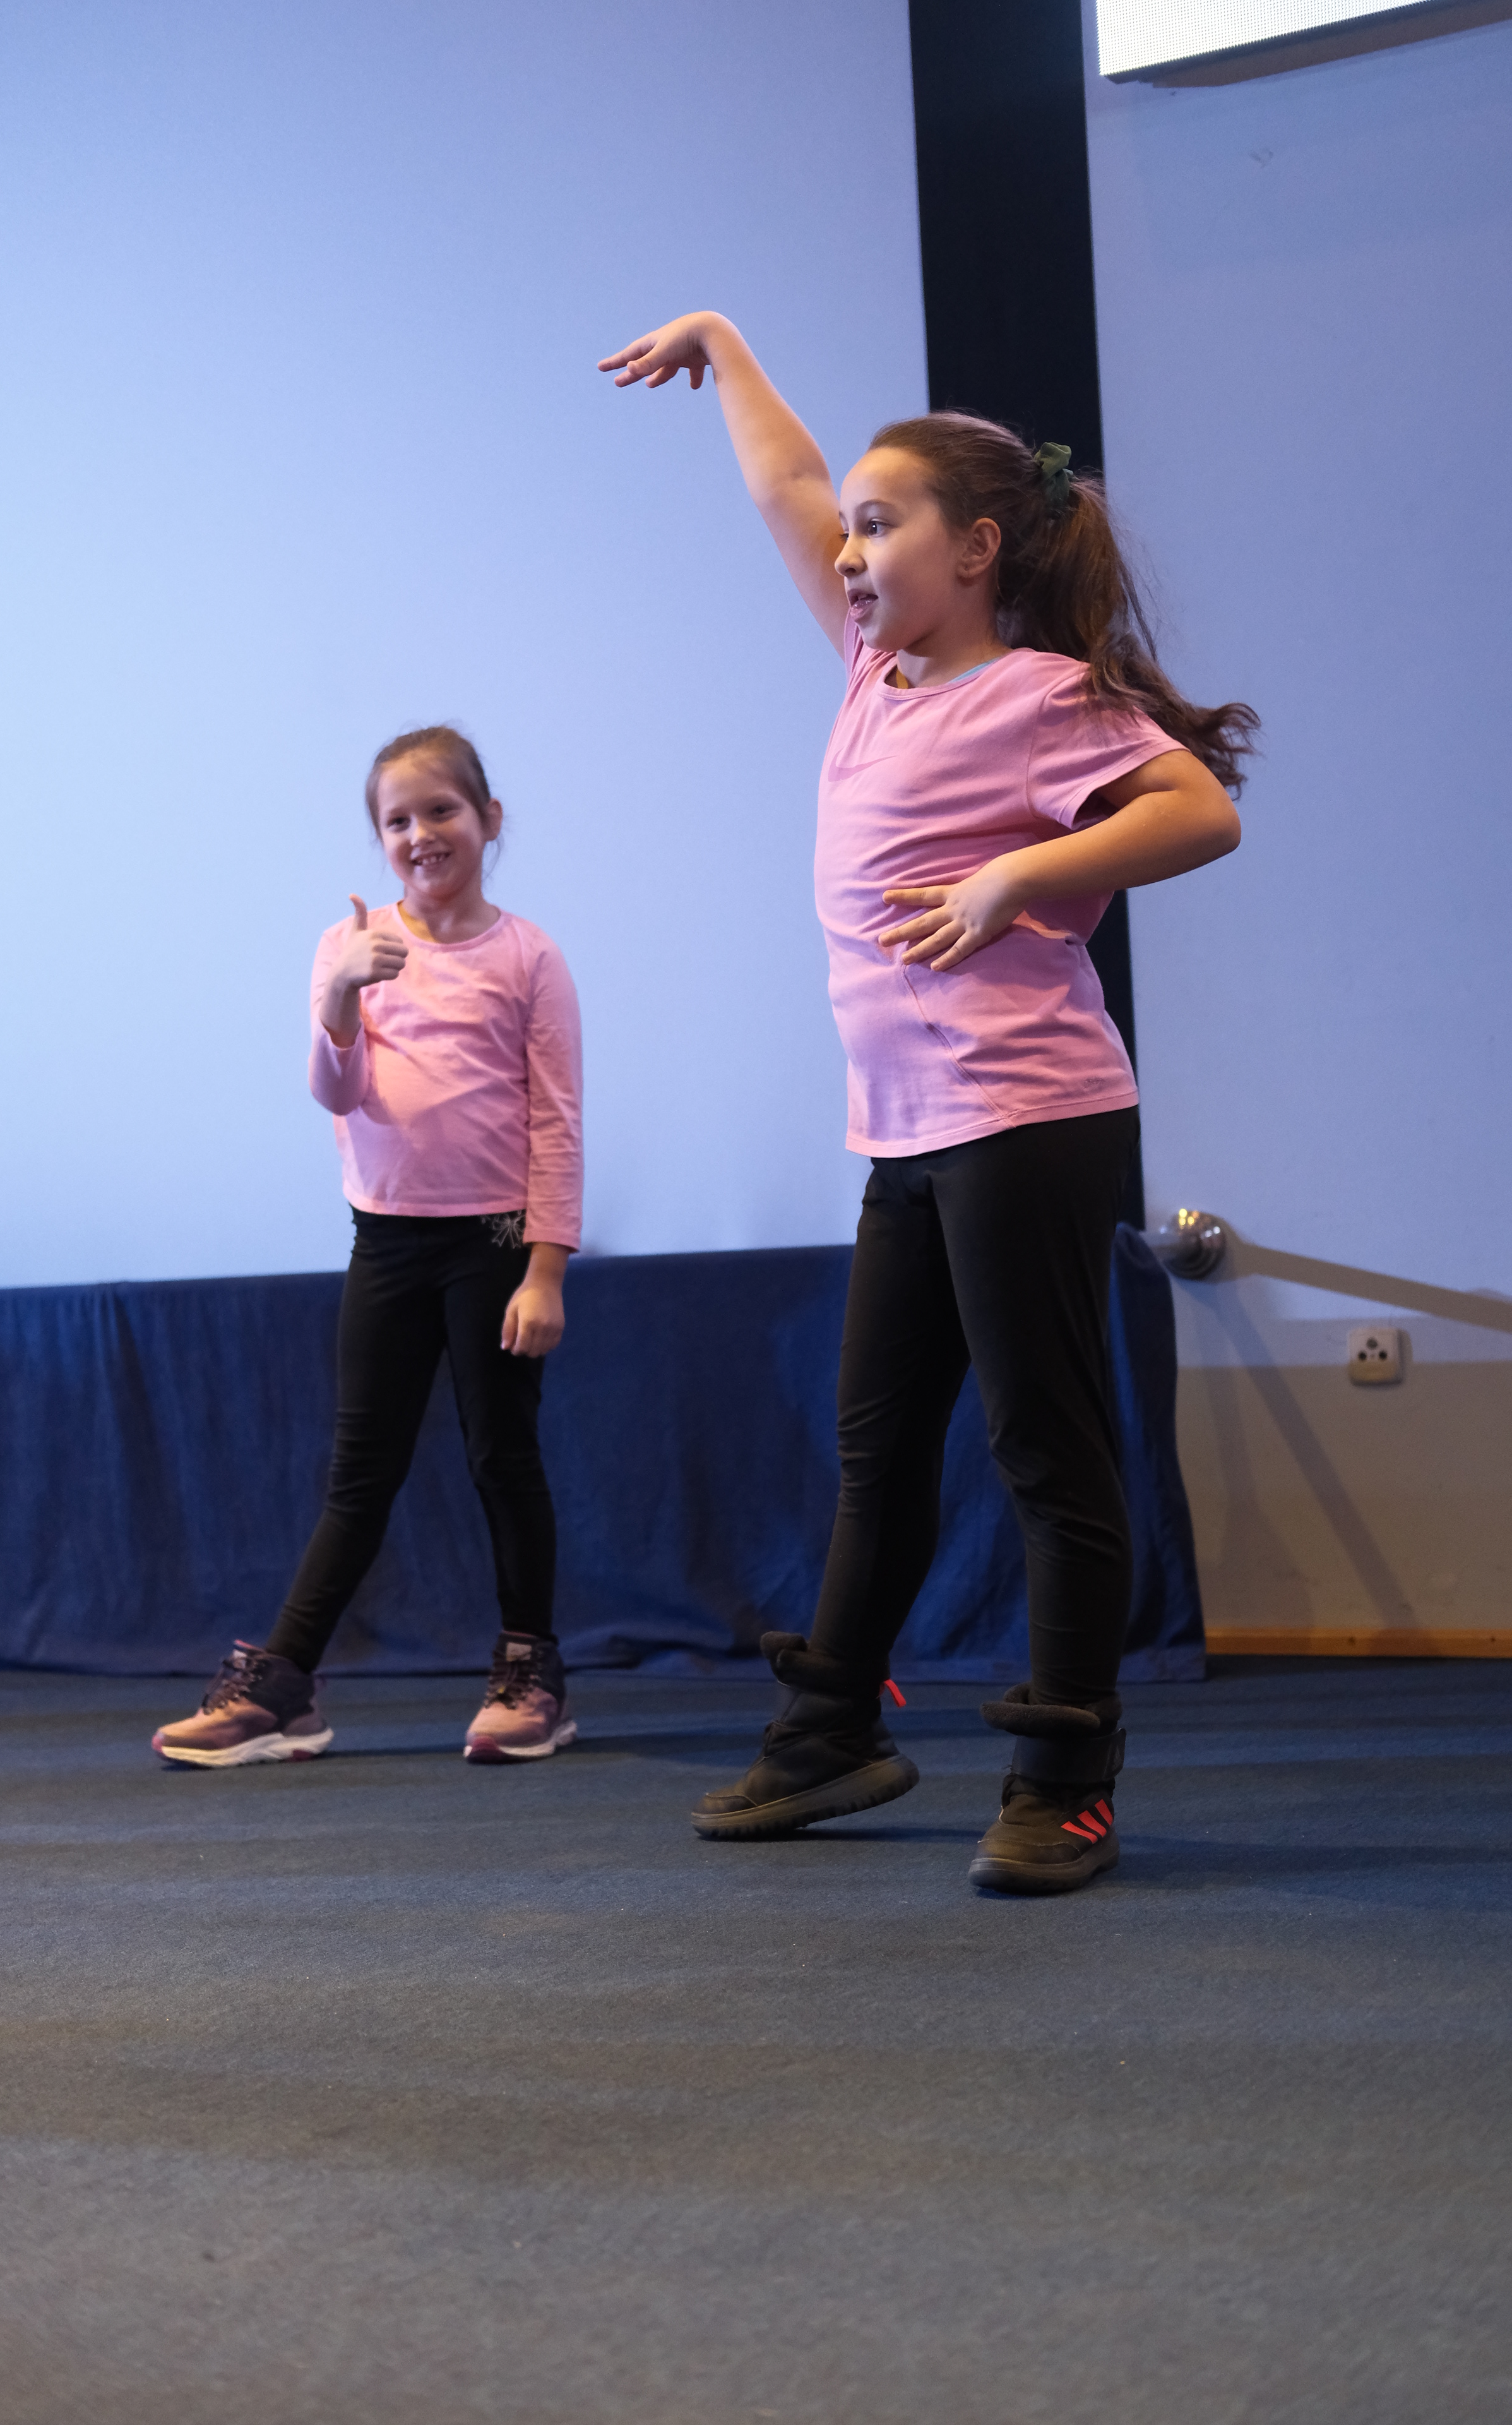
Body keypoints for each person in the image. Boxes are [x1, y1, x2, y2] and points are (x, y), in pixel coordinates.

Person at [598, 312, 1253, 1893]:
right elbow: (787, 488)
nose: (845, 550)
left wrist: (1018, 874)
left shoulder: (1036, 694)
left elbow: (1198, 811)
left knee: (1044, 1449)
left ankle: (1065, 1778)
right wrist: (723, 348)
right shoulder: (870, 675)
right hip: (906, 1129)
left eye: (880, 527)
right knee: (877, 1448)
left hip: (1026, 1117)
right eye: (850, 531)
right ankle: (831, 1731)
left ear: (973, 550)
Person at [152, 724, 583, 1769]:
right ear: (380, 839)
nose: (421, 834)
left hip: (492, 1243)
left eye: (442, 810)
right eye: (398, 820)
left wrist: (544, 1271)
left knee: (502, 1457)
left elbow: (559, 1121)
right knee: (360, 1473)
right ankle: (286, 1689)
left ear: (488, 819)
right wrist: (343, 990)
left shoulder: (527, 955)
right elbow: (335, 1093)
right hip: (386, 1245)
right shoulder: (348, 947)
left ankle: (531, 1675)